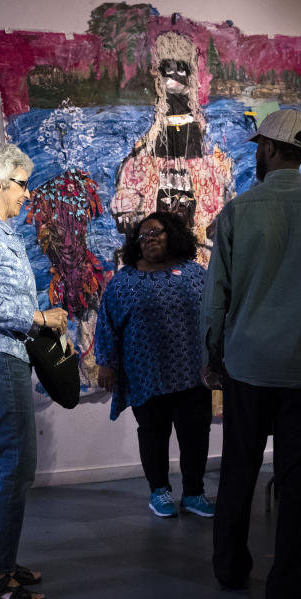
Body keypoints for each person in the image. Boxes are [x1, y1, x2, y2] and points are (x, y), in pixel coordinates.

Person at [202, 108, 301, 599]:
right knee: (294, 478)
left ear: (268, 148)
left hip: (247, 366)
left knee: (238, 472)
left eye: (257, 147)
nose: (257, 154)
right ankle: (285, 579)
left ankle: (230, 570)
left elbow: (216, 299)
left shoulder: (237, 212)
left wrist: (212, 353)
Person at [0, 142, 69, 599]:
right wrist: (39, 318)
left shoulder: (0, 230)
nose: (28, 194)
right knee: (18, 462)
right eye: (22, 184)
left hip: (2, 354)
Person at [95, 212, 215, 519]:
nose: (149, 240)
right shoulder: (125, 281)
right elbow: (106, 325)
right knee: (153, 433)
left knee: (195, 435)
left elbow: (214, 318)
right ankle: (159, 491)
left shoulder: (194, 274)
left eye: (156, 233)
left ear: (172, 234)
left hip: (193, 373)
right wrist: (106, 363)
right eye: (143, 236)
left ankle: (193, 493)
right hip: (146, 373)